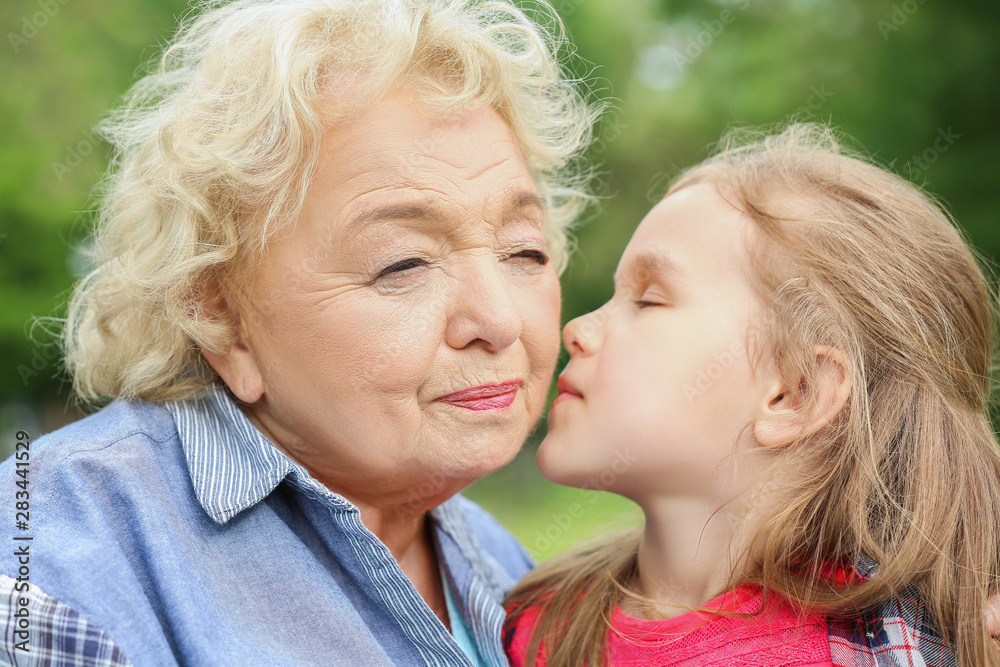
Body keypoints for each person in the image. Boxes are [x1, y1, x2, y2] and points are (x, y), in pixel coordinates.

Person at [0, 0, 599, 664]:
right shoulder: (57, 556)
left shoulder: (500, 562)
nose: (498, 320)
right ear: (224, 318)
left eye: (523, 251)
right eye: (402, 262)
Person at [503, 124, 1000, 666]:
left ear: (795, 394)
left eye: (647, 300)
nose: (577, 328)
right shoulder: (533, 621)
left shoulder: (891, 649)